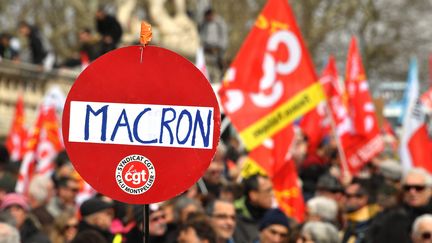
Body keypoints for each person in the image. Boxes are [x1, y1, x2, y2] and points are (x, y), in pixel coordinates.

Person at [367, 168, 432, 243]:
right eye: (407, 188)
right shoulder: (390, 217)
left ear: (430, 190)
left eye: (419, 188)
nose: (412, 192)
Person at [234, 174, 273, 243]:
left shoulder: (274, 217)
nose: (272, 194)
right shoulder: (235, 217)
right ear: (253, 195)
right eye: (268, 191)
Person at [341, 178, 380, 243]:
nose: (343, 198)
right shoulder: (350, 219)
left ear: (363, 199)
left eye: (348, 196)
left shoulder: (374, 222)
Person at [199, 8, 228, 83]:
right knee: (207, 67)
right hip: (206, 49)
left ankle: (220, 80)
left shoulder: (219, 23)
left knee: (218, 67)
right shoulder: (203, 24)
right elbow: (201, 35)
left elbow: (224, 36)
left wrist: (221, 48)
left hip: (217, 49)